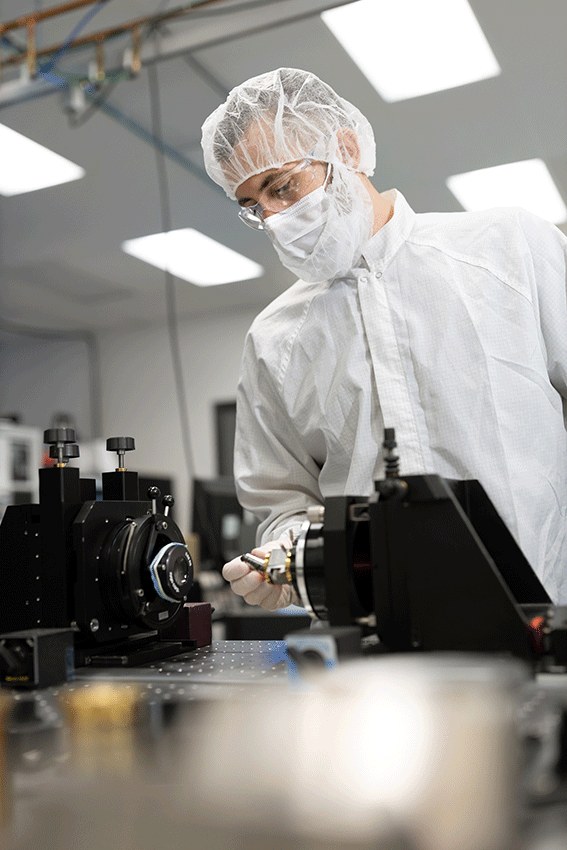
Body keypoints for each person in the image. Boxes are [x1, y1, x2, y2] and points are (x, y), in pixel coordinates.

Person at [201, 67, 567, 611]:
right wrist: (284, 557)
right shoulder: (274, 341)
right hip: (381, 637)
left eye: (282, 186)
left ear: (346, 148)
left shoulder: (509, 248)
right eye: (255, 207)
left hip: (542, 608)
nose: (275, 219)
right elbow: (282, 503)